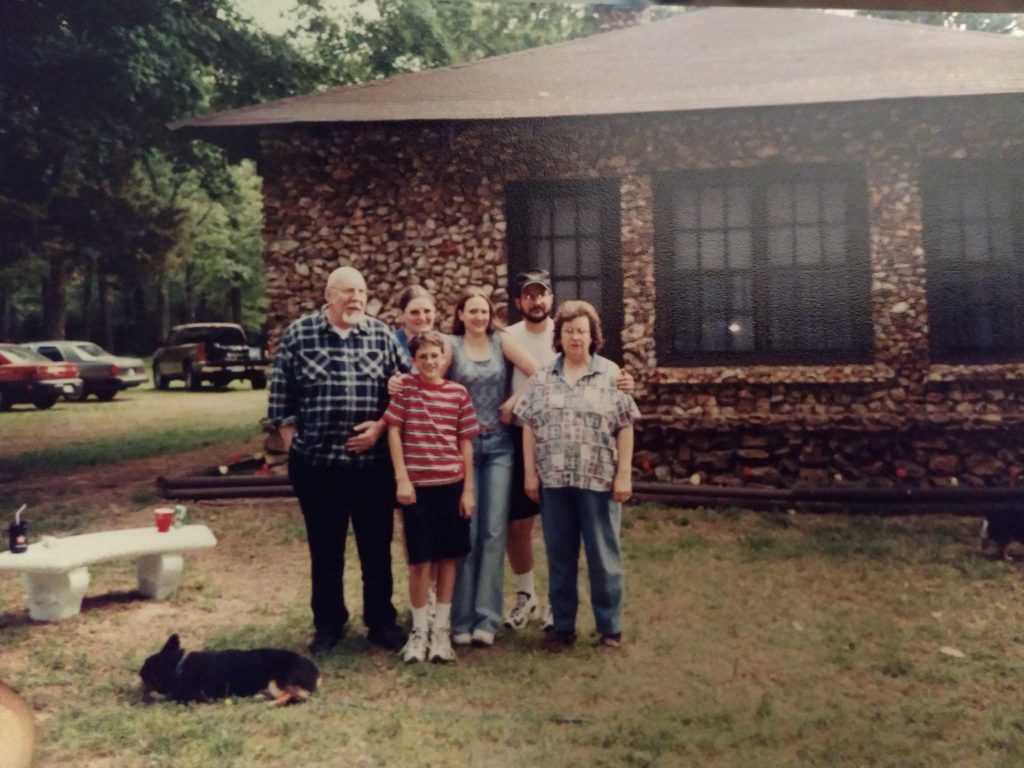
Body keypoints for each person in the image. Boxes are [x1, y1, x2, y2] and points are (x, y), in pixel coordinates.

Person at [268, 265, 410, 655]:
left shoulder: (381, 335)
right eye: (347, 291)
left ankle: (381, 623)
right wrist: (296, 445)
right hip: (318, 467)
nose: (356, 299)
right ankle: (329, 625)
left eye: (361, 292)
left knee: (376, 548)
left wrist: (381, 428)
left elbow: (409, 390)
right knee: (326, 549)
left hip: (372, 467)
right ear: (328, 295)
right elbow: (280, 397)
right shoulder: (300, 334)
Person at [502, 269, 635, 633]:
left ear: (593, 335)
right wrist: (530, 474)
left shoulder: (610, 374)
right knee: (560, 558)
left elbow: (625, 425)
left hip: (598, 481)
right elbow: (528, 424)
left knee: (603, 558)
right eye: (569, 331)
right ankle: (562, 628)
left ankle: (609, 628)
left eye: (582, 330)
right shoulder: (544, 378)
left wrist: (623, 474)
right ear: (558, 337)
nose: (575, 337)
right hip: (555, 482)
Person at [447, 287, 536, 647]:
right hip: (462, 448)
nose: (479, 317)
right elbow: (425, 376)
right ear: (460, 315)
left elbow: (538, 371)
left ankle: (487, 618)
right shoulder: (450, 347)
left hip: (499, 447)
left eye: (483, 311)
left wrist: (514, 401)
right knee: (465, 533)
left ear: (490, 315)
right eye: (472, 311)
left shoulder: (501, 342)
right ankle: (460, 618)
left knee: (494, 533)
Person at [384, 331, 479, 663]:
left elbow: (466, 442)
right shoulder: (407, 390)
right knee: (419, 560)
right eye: (422, 356)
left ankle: (441, 631)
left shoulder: (458, 394)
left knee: (448, 558)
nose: (429, 362)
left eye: (434, 356)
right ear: (414, 359)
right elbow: (394, 431)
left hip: (451, 486)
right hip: (417, 490)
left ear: (444, 358)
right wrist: (402, 479)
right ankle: (419, 630)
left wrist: (467, 489)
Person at [393, 285, 437, 359]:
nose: (422, 318)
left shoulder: (443, 344)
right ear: (401, 315)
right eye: (414, 312)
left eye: (427, 311)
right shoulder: (391, 344)